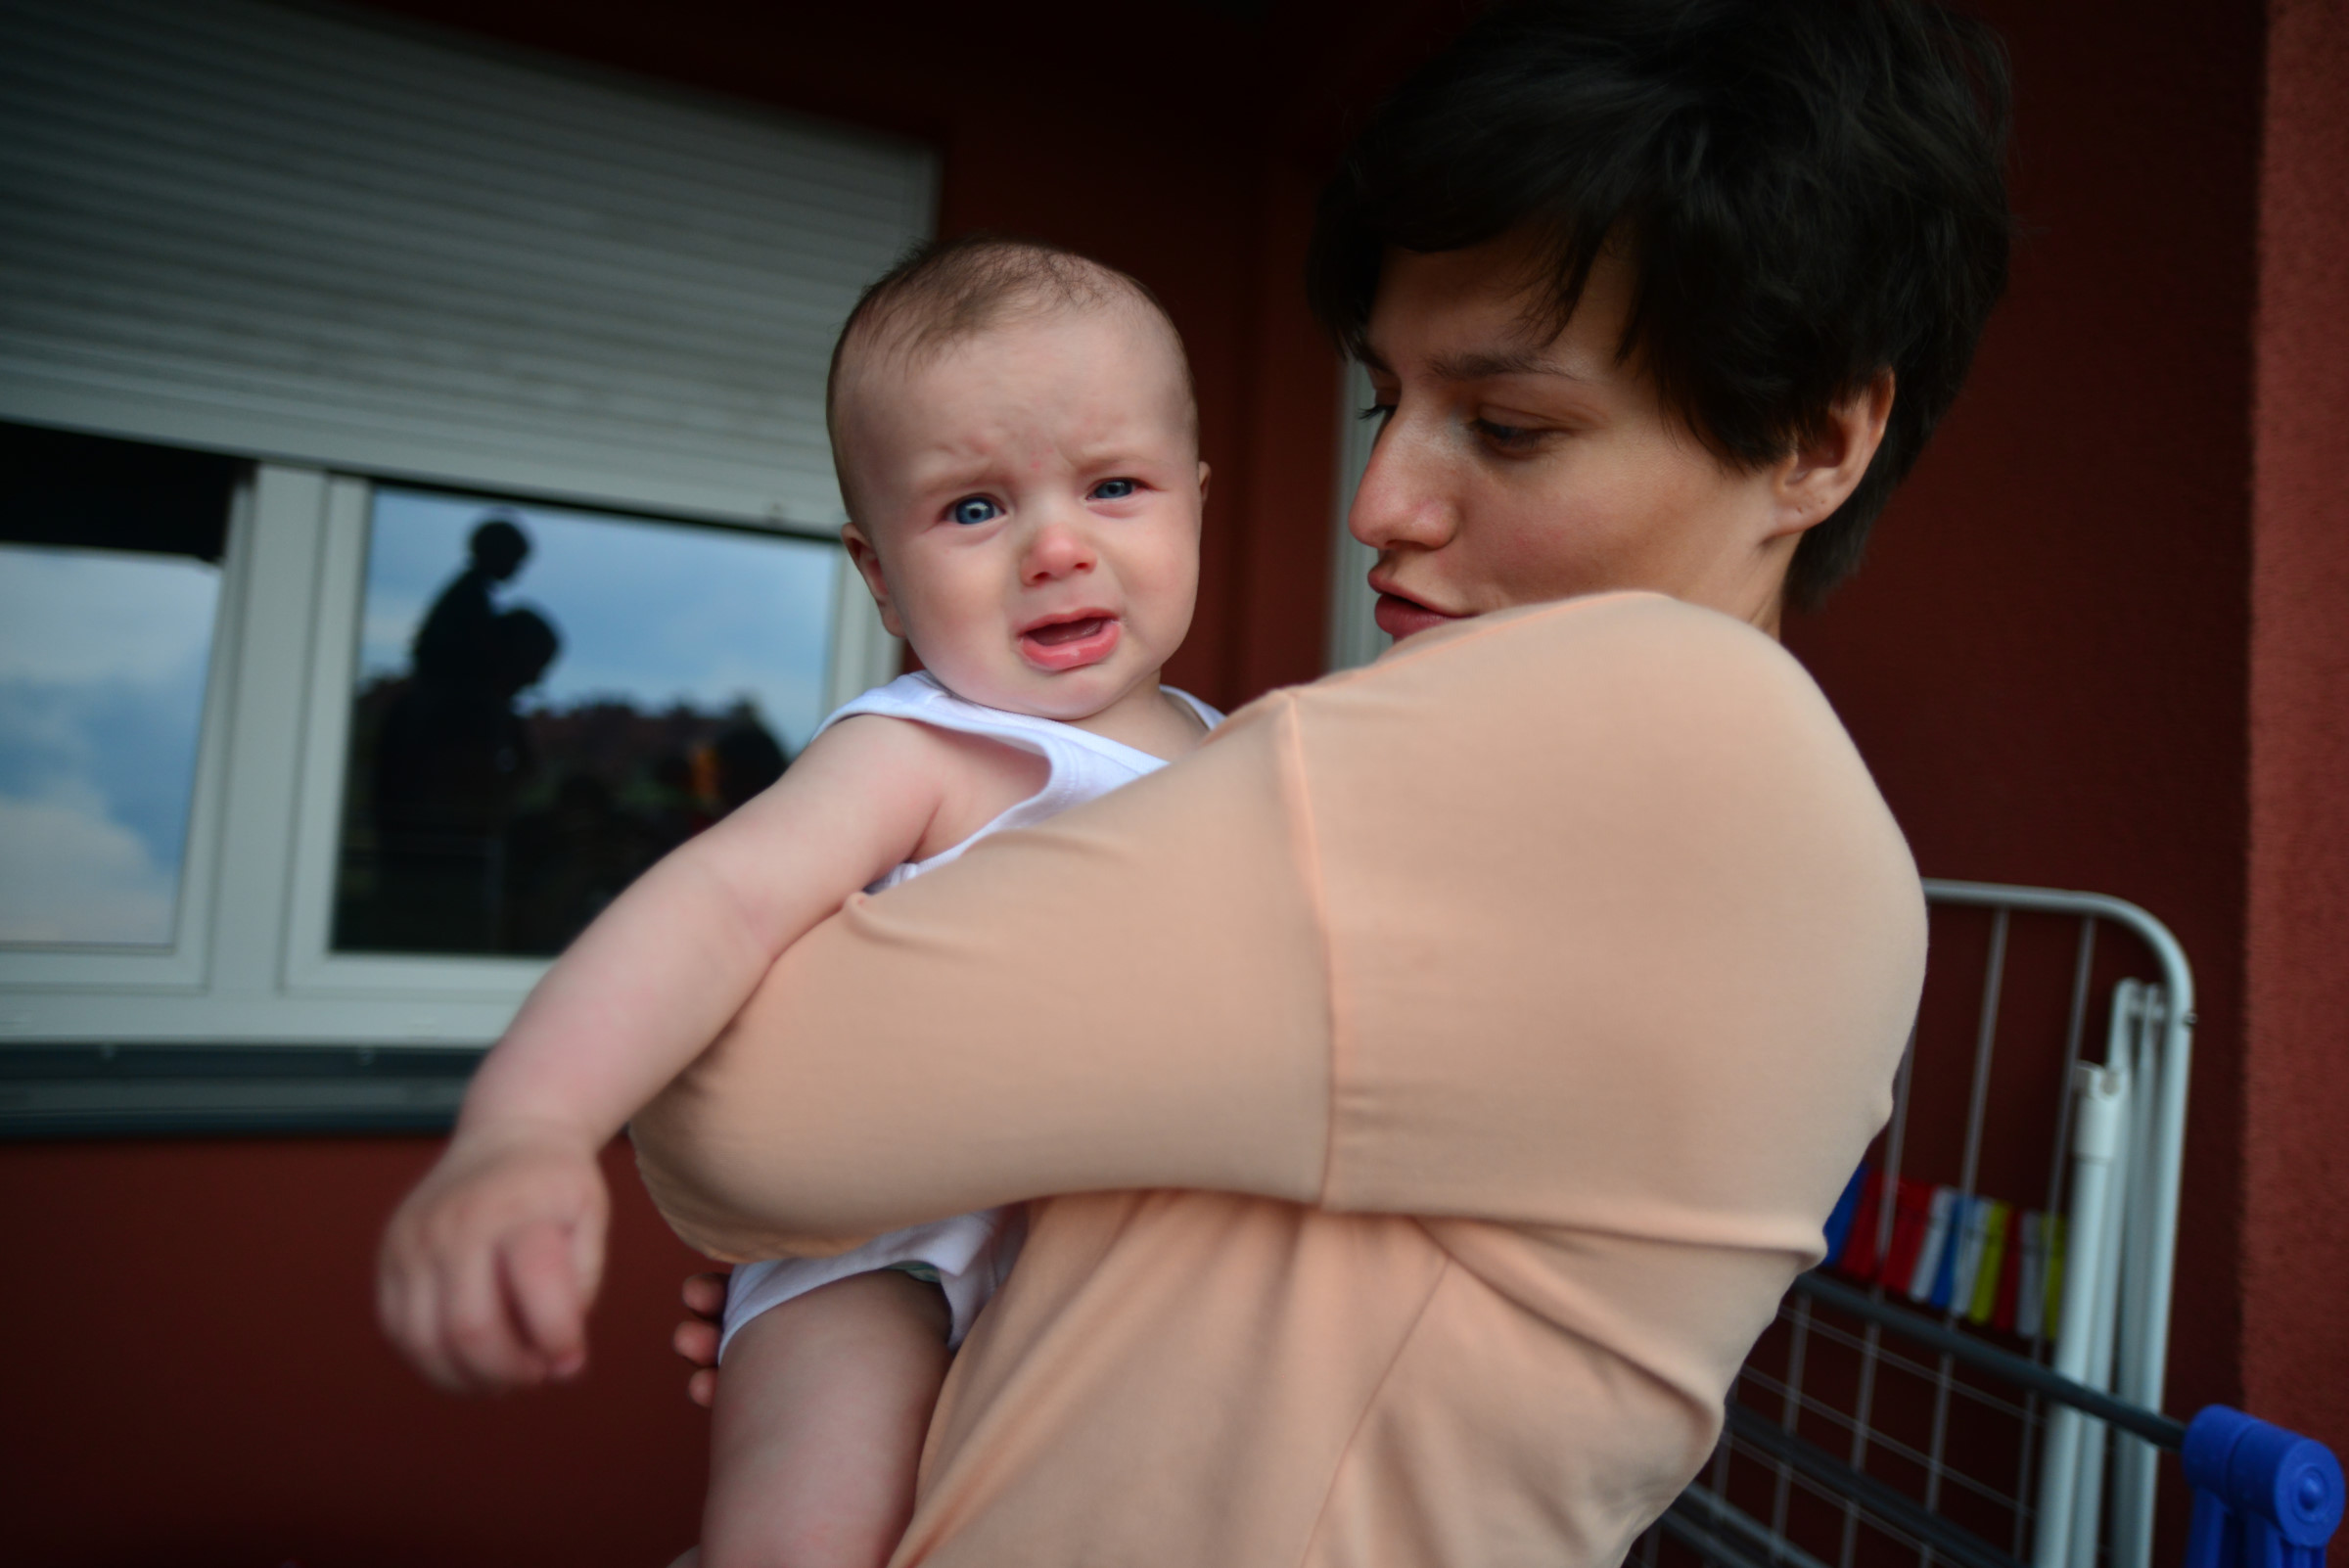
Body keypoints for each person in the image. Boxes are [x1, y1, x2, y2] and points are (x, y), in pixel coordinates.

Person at [636, 2, 2014, 1564]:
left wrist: (846, 1226)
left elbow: (725, 1110)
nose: (1381, 500)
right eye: (1385, 400)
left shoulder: (1657, 726)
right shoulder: (1804, 854)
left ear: (1816, 440)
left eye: (1508, 426)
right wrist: (917, 1274)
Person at [376, 238, 1221, 1567]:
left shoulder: (1241, 756)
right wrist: (529, 1125)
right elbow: (712, 908)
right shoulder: (919, 749)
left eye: (1114, 486)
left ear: (1194, 503)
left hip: (1113, 1269)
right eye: (974, 509)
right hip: (881, 1257)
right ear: (878, 574)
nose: (1058, 547)